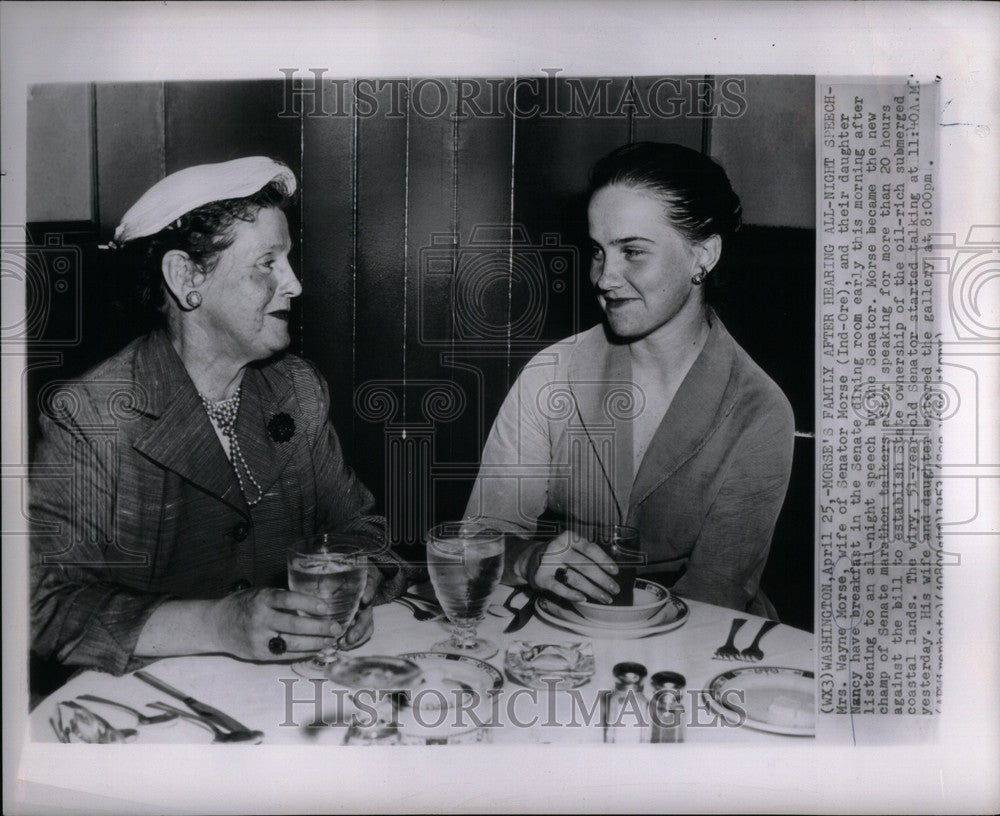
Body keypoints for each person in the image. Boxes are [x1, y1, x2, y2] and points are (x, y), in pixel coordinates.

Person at [30, 157, 416, 676]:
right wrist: (218, 624)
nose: (295, 284)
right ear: (186, 276)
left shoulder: (296, 390)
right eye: (268, 263)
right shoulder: (92, 415)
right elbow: (43, 608)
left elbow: (361, 531)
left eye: (289, 261)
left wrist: (358, 580)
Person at [464, 142, 795, 617]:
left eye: (632, 252)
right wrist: (532, 558)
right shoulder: (551, 375)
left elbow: (718, 592)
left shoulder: (759, 410)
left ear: (703, 255)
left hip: (696, 643)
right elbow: (478, 537)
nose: (604, 277)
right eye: (598, 252)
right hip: (560, 626)